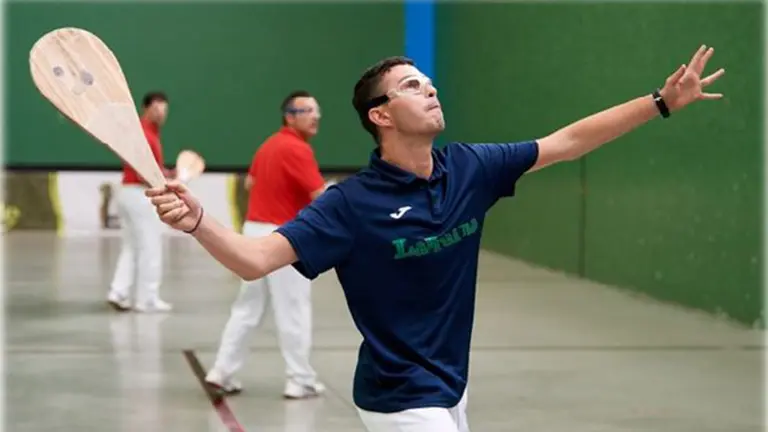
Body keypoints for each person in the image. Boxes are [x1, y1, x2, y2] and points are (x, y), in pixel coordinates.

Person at [145, 45, 724, 431]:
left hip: (451, 383)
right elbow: (254, 260)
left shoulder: (470, 168)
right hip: (398, 396)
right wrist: (199, 220)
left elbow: (567, 141)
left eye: (430, 83)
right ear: (381, 115)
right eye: (412, 86)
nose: (430, 91)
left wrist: (660, 104)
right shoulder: (351, 203)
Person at [204, 90, 327, 400]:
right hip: (284, 236)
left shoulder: (268, 145)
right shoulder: (298, 149)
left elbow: (250, 183)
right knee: (293, 308)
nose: (316, 116)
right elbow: (320, 196)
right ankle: (300, 379)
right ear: (290, 115)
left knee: (248, 308)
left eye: (317, 111)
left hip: (253, 231)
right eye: (308, 110)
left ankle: (222, 372)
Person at [107, 91, 177, 313]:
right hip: (139, 195)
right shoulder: (145, 135)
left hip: (128, 194)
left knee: (132, 246)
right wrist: (164, 181)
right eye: (157, 107)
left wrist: (166, 173)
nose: (161, 113)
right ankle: (147, 299)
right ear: (145, 108)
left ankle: (118, 292)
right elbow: (142, 174)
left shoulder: (145, 132)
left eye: (164, 108)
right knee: (150, 246)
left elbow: (150, 169)